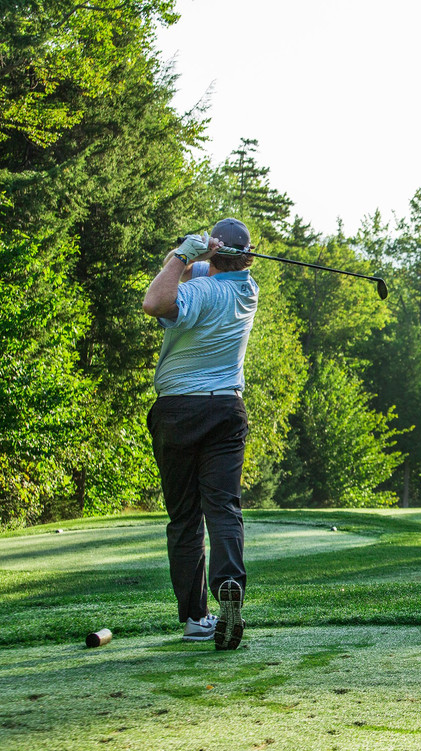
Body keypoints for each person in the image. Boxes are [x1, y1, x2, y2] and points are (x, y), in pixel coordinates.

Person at [142, 218, 258, 650]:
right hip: (226, 408)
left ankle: (195, 617)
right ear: (246, 257)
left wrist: (182, 252)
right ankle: (229, 586)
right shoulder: (248, 290)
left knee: (185, 519)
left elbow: (156, 300)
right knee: (223, 507)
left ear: (216, 254)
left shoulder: (199, 293)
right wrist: (207, 256)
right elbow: (200, 274)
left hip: (177, 411)